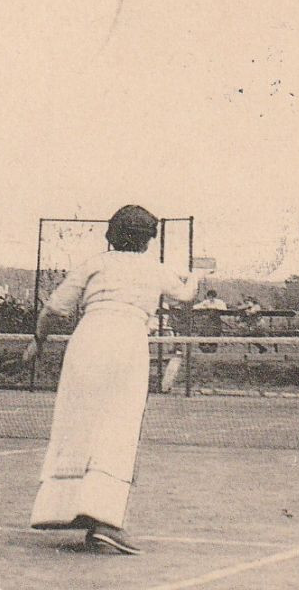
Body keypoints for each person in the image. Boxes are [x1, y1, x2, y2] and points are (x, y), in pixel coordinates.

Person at [24, 205, 200, 555]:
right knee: (117, 429)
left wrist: (37, 342)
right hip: (127, 347)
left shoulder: (95, 263)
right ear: (149, 240)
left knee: (76, 423)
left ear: (111, 234)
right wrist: (195, 276)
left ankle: (63, 510)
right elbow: (185, 294)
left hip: (86, 343)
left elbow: (52, 310)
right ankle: (104, 521)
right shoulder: (154, 268)